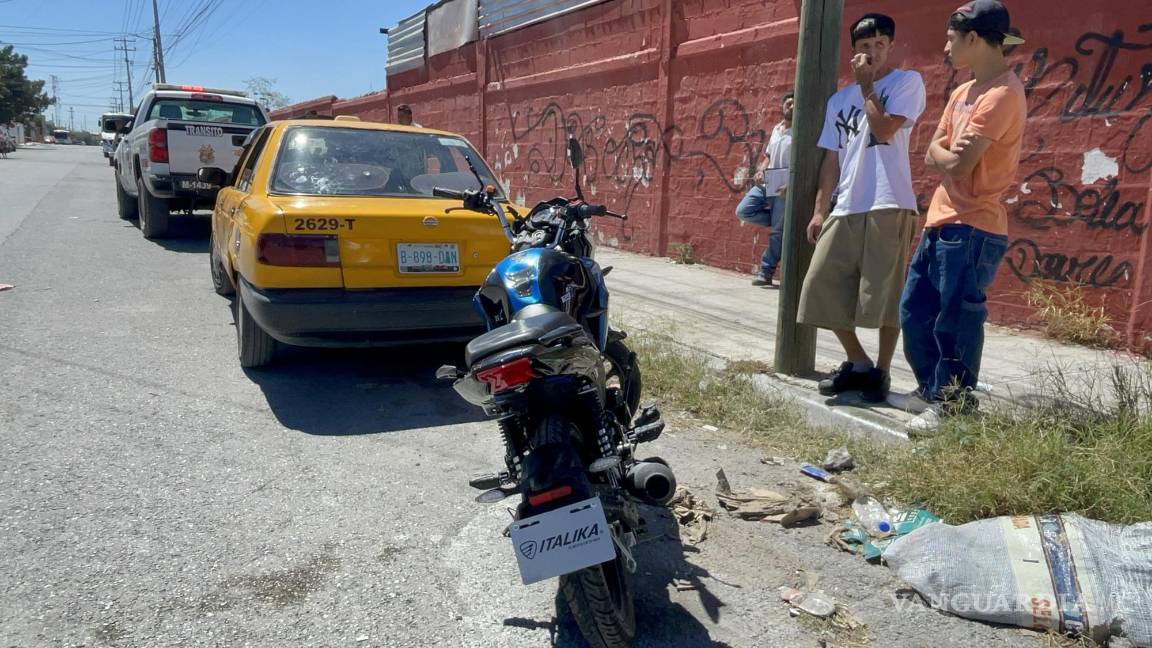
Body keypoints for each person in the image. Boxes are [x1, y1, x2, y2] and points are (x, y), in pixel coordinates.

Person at [896, 0, 1027, 433]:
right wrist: (946, 154)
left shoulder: (1003, 94)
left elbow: (956, 164)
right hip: (940, 219)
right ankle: (932, 391)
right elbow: (930, 151)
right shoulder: (961, 92)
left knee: (956, 320)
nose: (945, 47)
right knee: (914, 312)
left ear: (973, 38)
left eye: (951, 38)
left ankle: (953, 404)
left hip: (974, 226)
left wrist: (947, 154)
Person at [797, 13, 926, 403]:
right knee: (818, 285)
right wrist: (820, 209)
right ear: (853, 51)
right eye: (864, 46)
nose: (872, 52)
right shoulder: (839, 100)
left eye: (879, 45)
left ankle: (880, 373)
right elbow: (831, 158)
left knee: (884, 295)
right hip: (847, 204)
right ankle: (859, 361)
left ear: (890, 47)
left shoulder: (906, 83)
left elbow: (884, 131)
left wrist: (867, 86)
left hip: (889, 200)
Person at [735, 92, 794, 287]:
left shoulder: (801, 131)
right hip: (768, 181)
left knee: (777, 233)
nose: (792, 107)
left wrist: (791, 184)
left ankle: (765, 272)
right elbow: (768, 155)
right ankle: (780, 222)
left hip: (785, 184)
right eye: (788, 103)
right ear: (782, 106)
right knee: (743, 210)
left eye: (795, 104)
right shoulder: (777, 129)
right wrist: (761, 169)